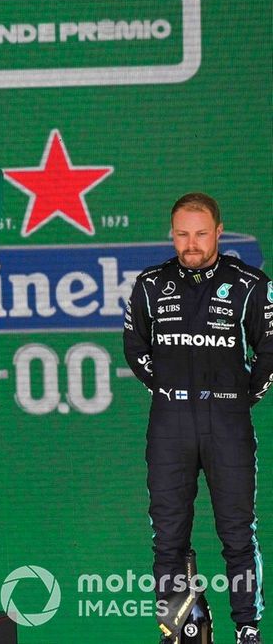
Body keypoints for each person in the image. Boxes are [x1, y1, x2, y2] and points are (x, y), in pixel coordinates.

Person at [124, 192, 272, 644]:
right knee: (167, 538)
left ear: (219, 232)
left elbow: (267, 349)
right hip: (170, 423)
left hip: (227, 420)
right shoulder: (150, 284)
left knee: (237, 534)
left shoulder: (249, 283)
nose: (191, 243)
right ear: (172, 233)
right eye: (182, 234)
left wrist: (240, 397)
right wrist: (167, 391)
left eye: (201, 233)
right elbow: (135, 349)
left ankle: (247, 628)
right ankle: (175, 630)